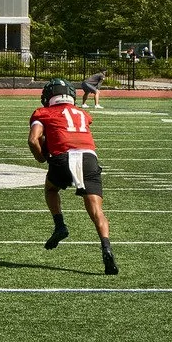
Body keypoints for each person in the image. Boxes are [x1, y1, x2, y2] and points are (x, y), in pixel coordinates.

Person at [27, 78, 118, 275]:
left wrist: (42, 158)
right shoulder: (83, 114)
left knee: (51, 189)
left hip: (63, 157)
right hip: (88, 158)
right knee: (96, 209)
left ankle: (59, 225)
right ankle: (106, 247)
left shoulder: (43, 112)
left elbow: (33, 140)